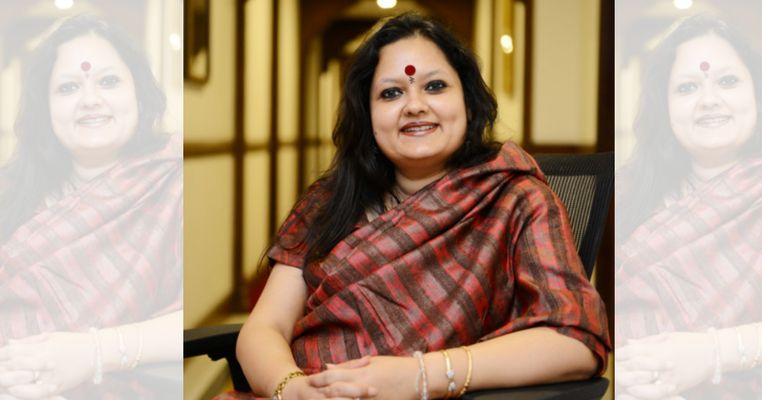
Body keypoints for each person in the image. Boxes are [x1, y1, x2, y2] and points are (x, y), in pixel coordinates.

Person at [236, 12, 610, 400]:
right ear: (368, 114)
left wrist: (420, 377)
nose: (414, 106)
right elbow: (265, 327)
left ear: (468, 101)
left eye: (434, 86)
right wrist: (291, 388)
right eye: (391, 93)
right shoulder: (328, 202)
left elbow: (575, 339)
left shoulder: (516, 200)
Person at [615, 15, 762, 399]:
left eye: (728, 81)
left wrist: (713, 353)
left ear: (757, 92)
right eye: (687, 87)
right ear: (665, 107)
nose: (709, 100)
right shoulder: (631, 191)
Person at [0, 15, 182, 399]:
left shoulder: (173, 183)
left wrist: (93, 353)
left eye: (109, 81)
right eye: (68, 87)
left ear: (139, 93)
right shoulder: (12, 189)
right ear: (46, 108)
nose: (90, 100)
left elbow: (188, 321)